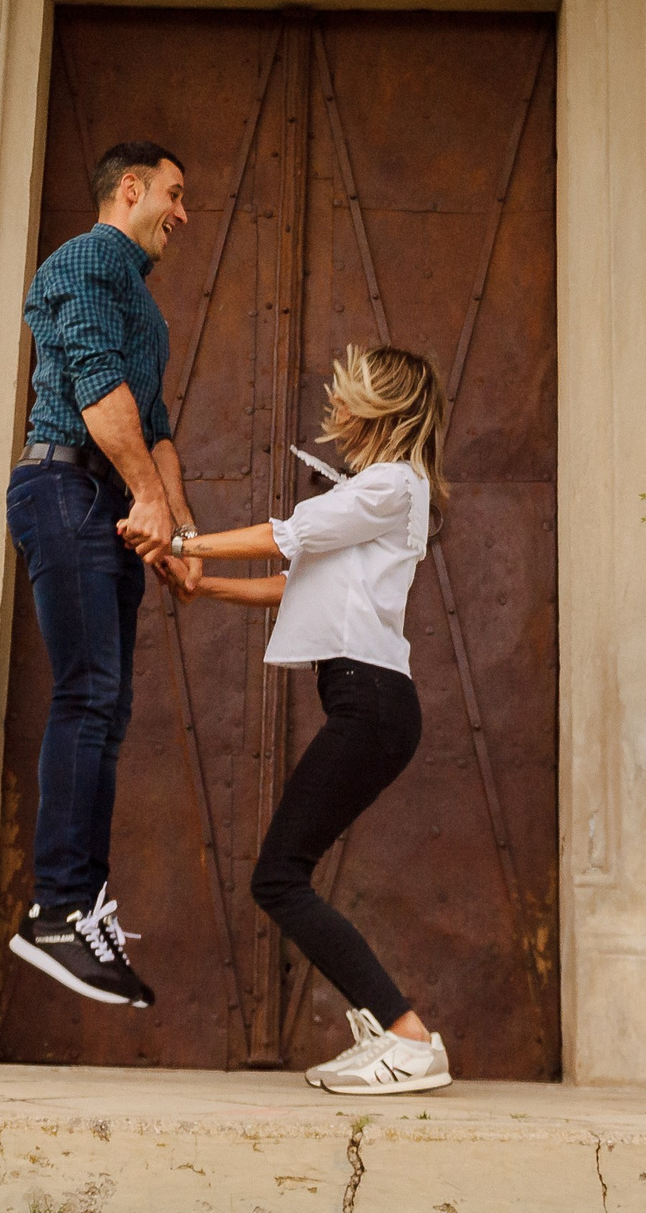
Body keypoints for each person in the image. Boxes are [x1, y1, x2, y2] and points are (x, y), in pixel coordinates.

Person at [164, 345, 453, 1095]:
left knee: (278, 878)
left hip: (373, 703)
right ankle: (392, 1031)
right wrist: (203, 587)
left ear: (384, 406)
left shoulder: (392, 484)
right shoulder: (381, 493)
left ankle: (408, 1038)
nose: (338, 409)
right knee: (283, 876)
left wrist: (180, 542)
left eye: (352, 396)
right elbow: (292, 581)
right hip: (369, 701)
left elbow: (280, 535)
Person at [5, 140, 200, 1009]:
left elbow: (153, 421)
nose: (183, 214)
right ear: (131, 189)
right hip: (63, 486)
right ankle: (57, 910)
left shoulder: (144, 307)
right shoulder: (85, 259)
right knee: (88, 694)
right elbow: (95, 389)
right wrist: (146, 500)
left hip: (105, 498)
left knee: (108, 704)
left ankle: (75, 907)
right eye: (174, 194)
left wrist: (179, 530)